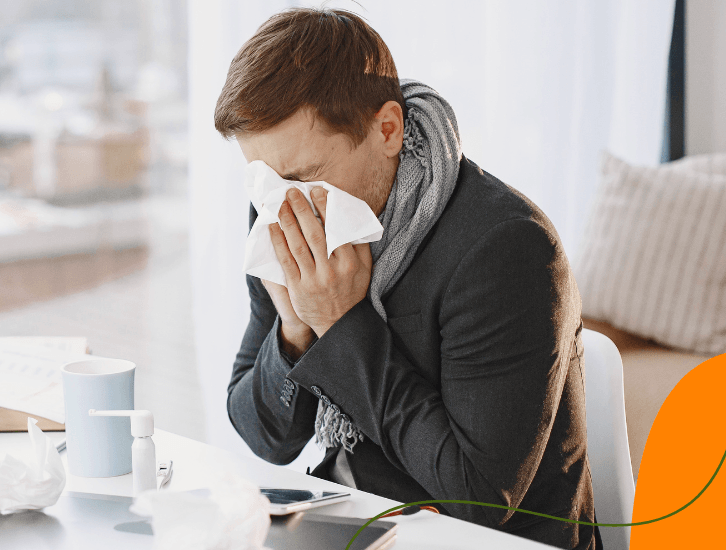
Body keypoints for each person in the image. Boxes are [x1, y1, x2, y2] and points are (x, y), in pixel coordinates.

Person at [220, 8, 598, 550]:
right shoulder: (279, 207)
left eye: (302, 176)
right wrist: (293, 329)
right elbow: (266, 439)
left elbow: (481, 500)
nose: (282, 203)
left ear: (388, 130)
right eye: (263, 176)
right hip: (348, 519)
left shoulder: (506, 248)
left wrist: (342, 325)